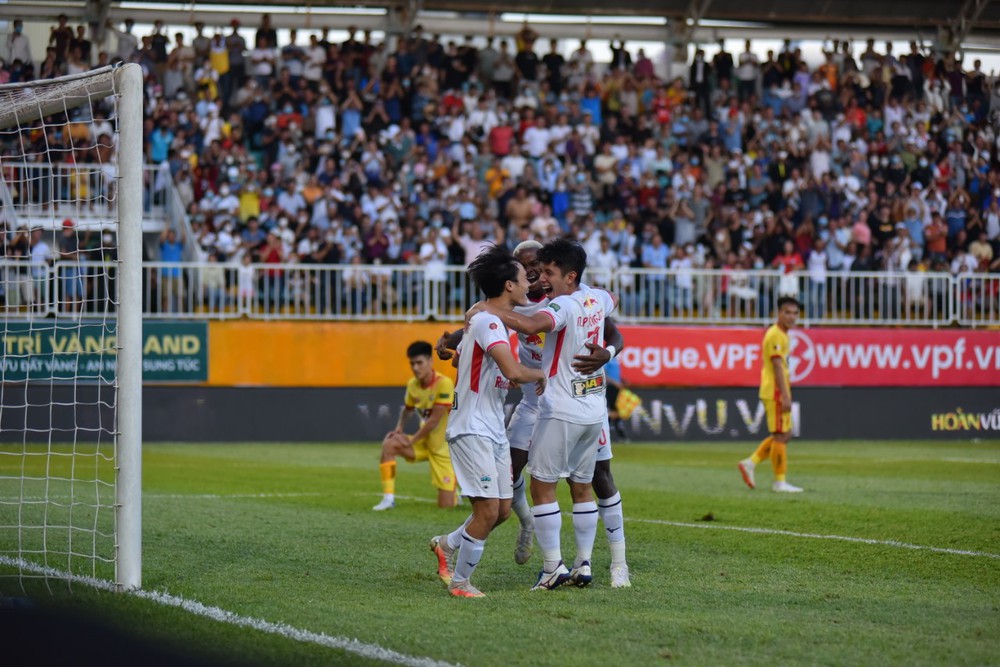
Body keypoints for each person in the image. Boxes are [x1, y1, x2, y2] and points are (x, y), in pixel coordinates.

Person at [470, 238, 621, 590]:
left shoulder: (560, 304)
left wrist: (609, 350)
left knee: (561, 483)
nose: (537, 274)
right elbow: (608, 300)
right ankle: (543, 536)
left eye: (543, 268)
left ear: (564, 273)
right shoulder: (571, 297)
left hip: (558, 400)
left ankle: (567, 564)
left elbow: (533, 326)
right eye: (530, 268)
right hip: (557, 402)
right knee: (520, 474)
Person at [429, 244, 546, 598]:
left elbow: (463, 362)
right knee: (487, 511)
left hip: (493, 426)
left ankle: (446, 545)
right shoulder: (486, 321)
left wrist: (490, 372)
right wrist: (542, 373)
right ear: (509, 286)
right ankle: (461, 583)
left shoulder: (486, 322)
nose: (530, 283)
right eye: (525, 278)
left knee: (503, 511)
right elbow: (512, 368)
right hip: (472, 427)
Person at [373, 341, 458, 511]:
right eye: (412, 363)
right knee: (390, 444)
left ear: (430, 362)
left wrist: (410, 442)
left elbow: (434, 421)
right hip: (424, 443)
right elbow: (408, 409)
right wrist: (399, 429)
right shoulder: (413, 384)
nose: (415, 368)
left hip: (444, 450)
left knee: (446, 506)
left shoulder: (444, 384)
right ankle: (388, 499)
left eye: (419, 363)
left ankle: (457, 489)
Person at [738, 296, 804, 493]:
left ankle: (751, 462)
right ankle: (779, 481)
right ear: (778, 313)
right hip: (775, 390)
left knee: (785, 433)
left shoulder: (783, 335)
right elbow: (776, 366)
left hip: (776, 390)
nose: (791, 317)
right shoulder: (775, 334)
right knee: (781, 434)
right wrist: (784, 395)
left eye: (795, 313)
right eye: (787, 312)